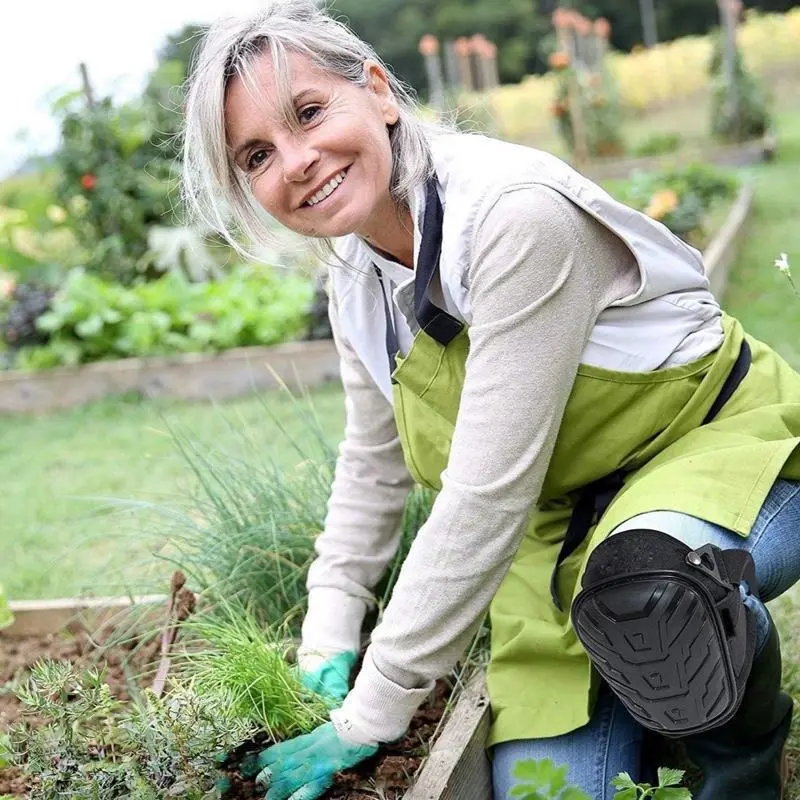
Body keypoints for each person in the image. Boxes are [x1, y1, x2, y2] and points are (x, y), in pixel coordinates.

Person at [182, 2, 800, 798]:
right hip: (559, 537)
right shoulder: (356, 278)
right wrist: (329, 630)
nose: (297, 161)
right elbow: (373, 463)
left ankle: (737, 756)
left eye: (308, 113)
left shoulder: (512, 217)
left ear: (377, 90)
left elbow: (485, 494)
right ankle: (663, 686)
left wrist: (369, 714)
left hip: (721, 460)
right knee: (551, 790)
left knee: (653, 592)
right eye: (258, 155)